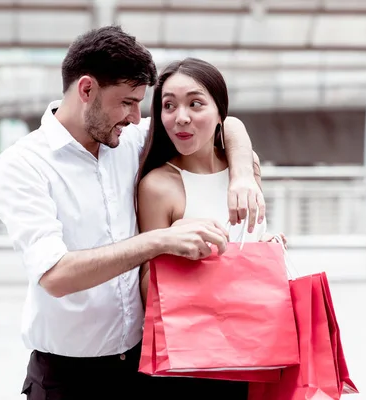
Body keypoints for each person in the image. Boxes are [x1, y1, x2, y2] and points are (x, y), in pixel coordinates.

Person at [0, 26, 265, 400]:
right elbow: (55, 275)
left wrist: (242, 176)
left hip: (142, 370)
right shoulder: (24, 164)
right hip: (66, 377)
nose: (138, 117)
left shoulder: (129, 136)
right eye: (127, 102)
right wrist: (159, 241)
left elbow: (226, 123)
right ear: (86, 90)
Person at [135, 57, 285, 399]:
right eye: (168, 105)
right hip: (193, 363)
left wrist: (269, 247)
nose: (181, 117)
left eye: (195, 103)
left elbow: (250, 243)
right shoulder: (159, 185)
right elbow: (147, 289)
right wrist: (173, 247)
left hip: (254, 352)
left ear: (220, 113)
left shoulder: (245, 166)